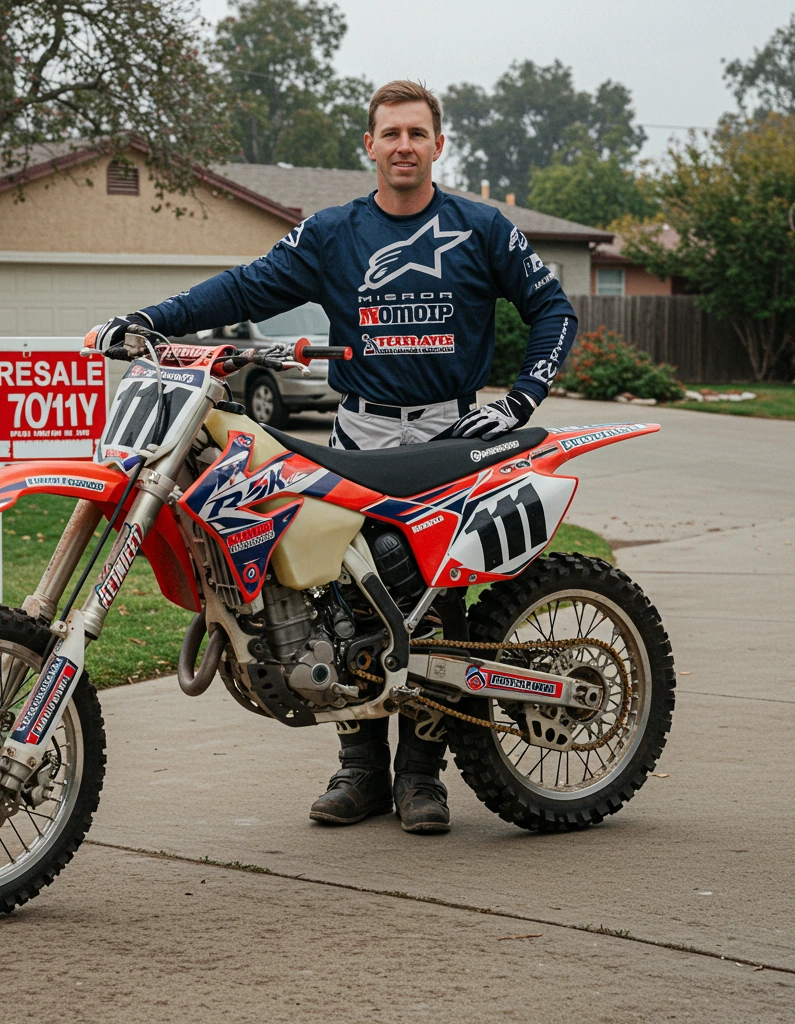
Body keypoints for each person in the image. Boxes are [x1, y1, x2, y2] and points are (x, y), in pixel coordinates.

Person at [89, 80, 577, 835]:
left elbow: (553, 309)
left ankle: (421, 777)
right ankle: (360, 771)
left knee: (435, 606)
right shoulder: (332, 232)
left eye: (417, 133)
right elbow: (246, 287)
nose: (405, 146)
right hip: (359, 434)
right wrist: (153, 319)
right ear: (370, 145)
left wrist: (519, 401)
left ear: (439, 145)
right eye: (392, 134)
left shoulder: (482, 227)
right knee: (339, 596)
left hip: (453, 435)